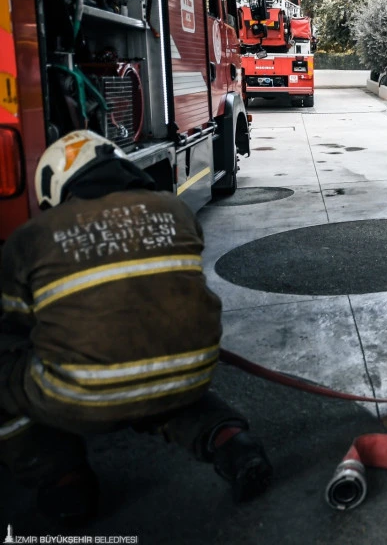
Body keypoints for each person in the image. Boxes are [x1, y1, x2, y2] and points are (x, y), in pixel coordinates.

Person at [0, 131, 272, 524]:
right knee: (163, 380)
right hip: (190, 372)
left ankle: (62, 479)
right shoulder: (174, 209)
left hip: (79, 398)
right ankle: (233, 442)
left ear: (56, 185)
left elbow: (18, 325)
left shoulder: (30, 238)